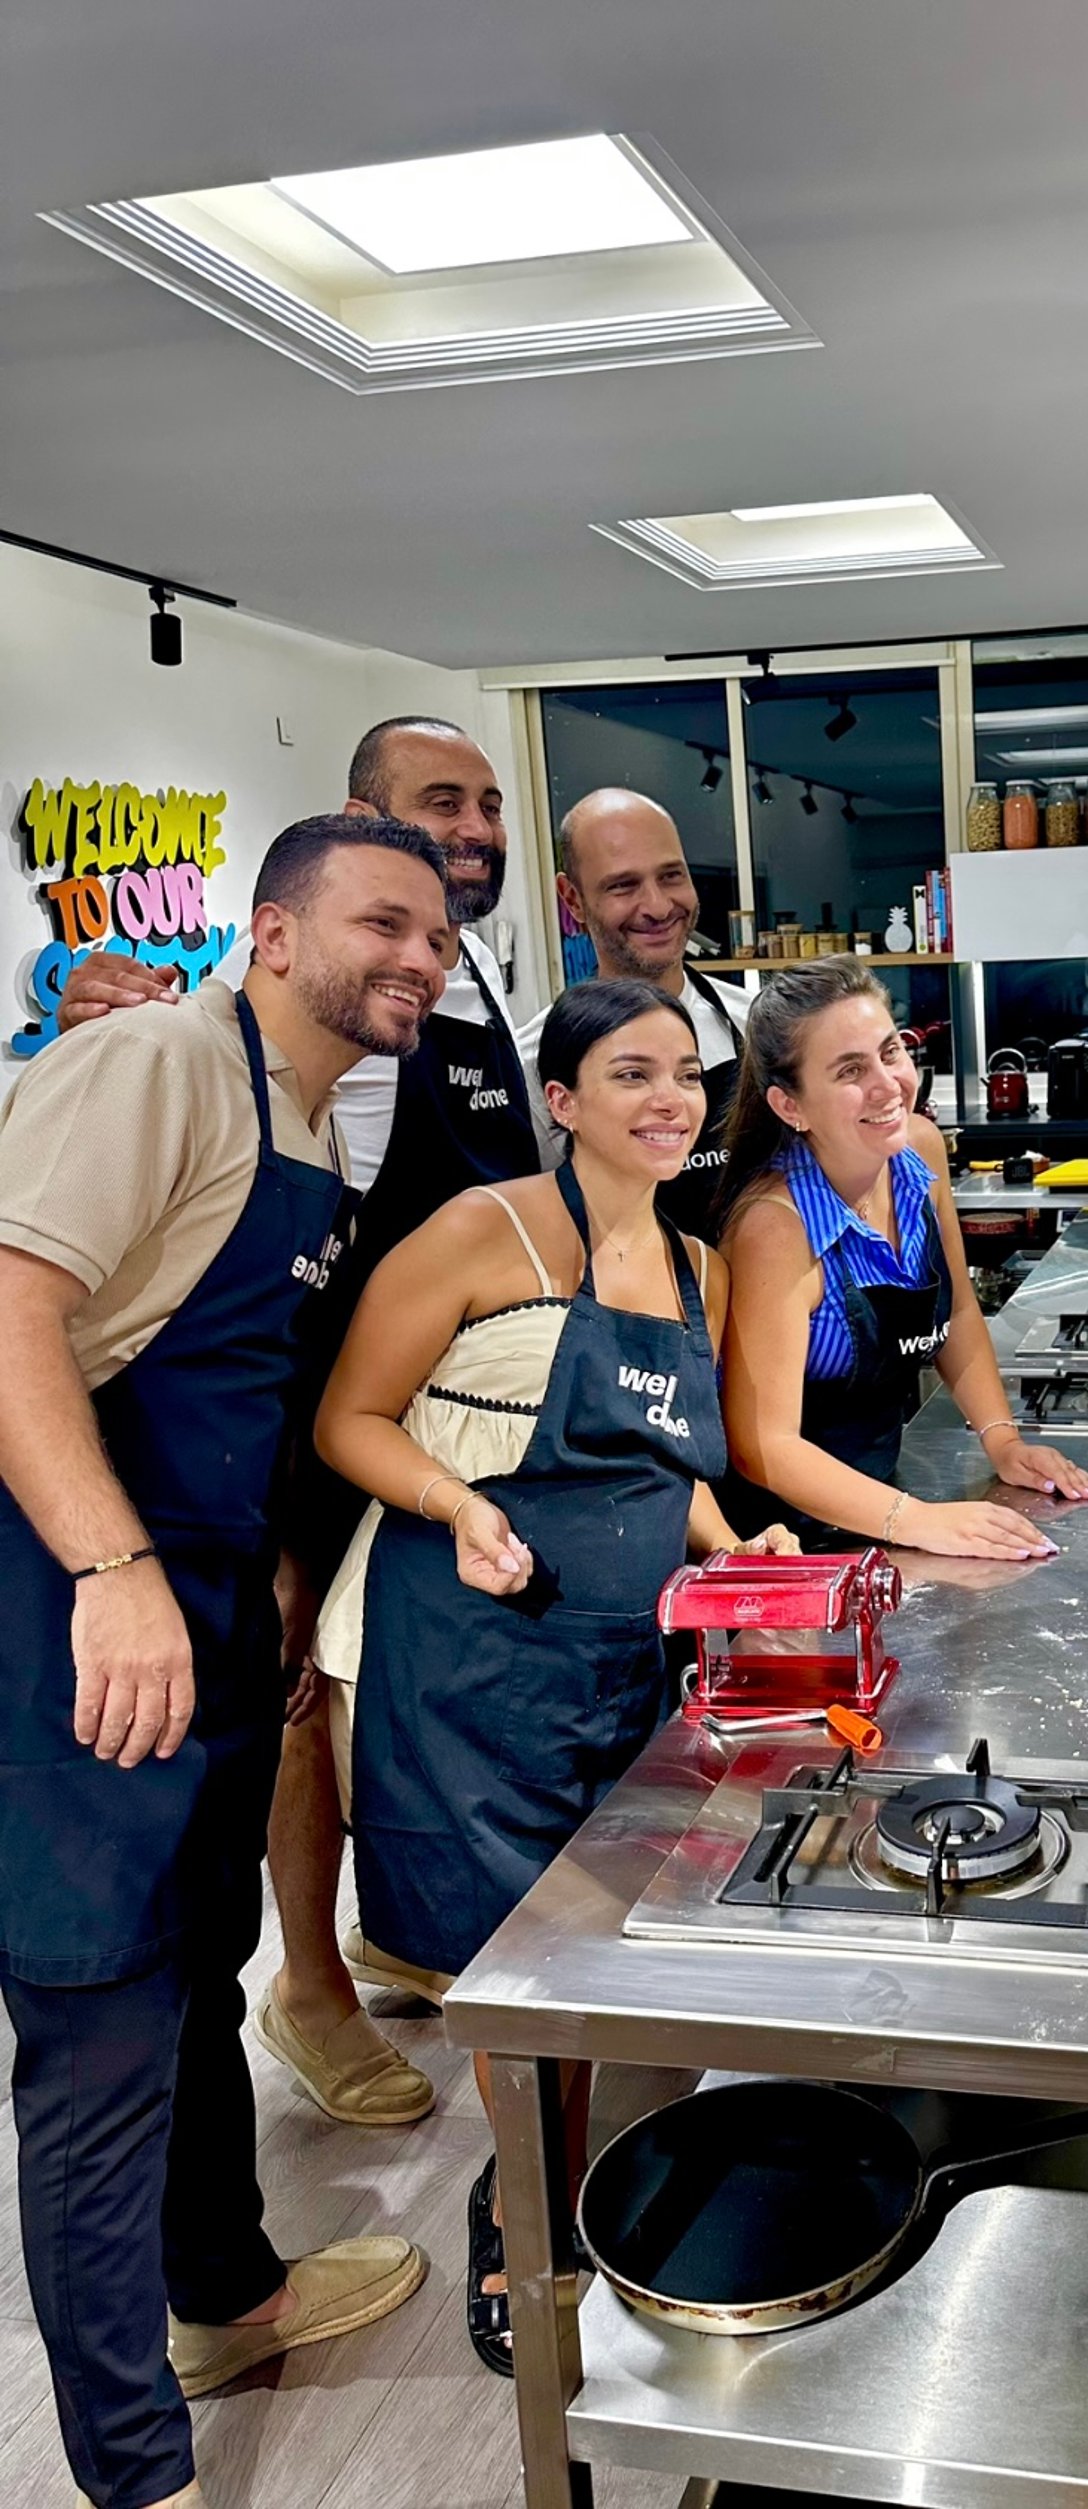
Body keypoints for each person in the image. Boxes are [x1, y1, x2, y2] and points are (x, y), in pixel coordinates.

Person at [0, 814, 450, 2509]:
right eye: (377, 922)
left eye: (431, 934)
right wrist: (111, 1565)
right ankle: (136, 2475)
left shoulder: (310, 1129)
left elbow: (221, 1373)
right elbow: (9, 1308)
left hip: (196, 1596)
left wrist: (252, 1561)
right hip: (65, 1597)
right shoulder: (152, 1063)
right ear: (269, 931)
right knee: (102, 2025)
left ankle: (230, 2296)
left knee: (194, 1964)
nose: (412, 955)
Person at [58, 716, 543, 2129]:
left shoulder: (477, 986)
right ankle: (311, 1985)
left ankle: (387, 1929)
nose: (473, 831)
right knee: (290, 1706)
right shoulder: (219, 1034)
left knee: (376, 1671)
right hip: (272, 1407)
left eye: (489, 807)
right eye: (436, 805)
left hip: (415, 1399)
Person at [309, 977, 796, 2372]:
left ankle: (558, 2176)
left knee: (590, 1941)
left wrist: (734, 1535)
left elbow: (665, 1467)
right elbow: (353, 1416)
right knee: (507, 1968)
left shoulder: (699, 1267)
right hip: (469, 1650)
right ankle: (518, 2220)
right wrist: (459, 1508)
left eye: (685, 1076)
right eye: (629, 1074)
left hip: (617, 1646)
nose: (666, 1099)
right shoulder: (485, 1229)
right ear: (564, 1100)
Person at [715, 956, 1088, 1557]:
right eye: (849, 1070)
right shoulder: (775, 1227)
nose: (888, 1084)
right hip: (789, 1539)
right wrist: (917, 1521)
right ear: (791, 1106)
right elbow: (763, 1444)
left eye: (889, 1051)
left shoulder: (917, 1150)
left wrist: (1002, 1441)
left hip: (886, 1506)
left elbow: (957, 1312)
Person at [551, 785, 748, 1232]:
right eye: (623, 885)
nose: (658, 906)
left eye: (672, 876)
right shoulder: (540, 1056)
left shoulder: (760, 1024)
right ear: (573, 899)